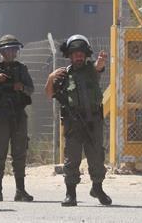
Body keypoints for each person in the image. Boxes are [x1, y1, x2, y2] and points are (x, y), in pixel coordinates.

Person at [45, 34, 112, 207]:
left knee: (96, 156)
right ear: (70, 56)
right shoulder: (63, 75)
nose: (79, 57)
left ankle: (97, 188)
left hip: (93, 121)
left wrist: (101, 61)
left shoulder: (91, 70)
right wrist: (51, 78)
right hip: (73, 122)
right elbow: (49, 94)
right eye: (75, 54)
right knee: (72, 158)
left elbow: (98, 67)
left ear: (86, 55)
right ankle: (71, 194)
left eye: (81, 54)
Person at [0, 34, 35, 202]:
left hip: (18, 116)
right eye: (8, 50)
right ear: (1, 52)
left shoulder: (21, 69)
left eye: (14, 50)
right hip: (0, 117)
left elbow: (31, 89)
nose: (11, 53)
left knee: (19, 154)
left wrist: (21, 87)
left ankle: (20, 190)